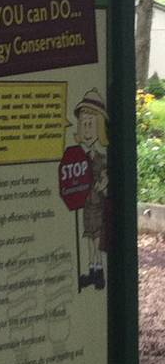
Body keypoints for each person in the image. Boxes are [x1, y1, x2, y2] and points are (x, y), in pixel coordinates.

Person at [74, 89, 110, 291]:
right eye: (83, 124)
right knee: (88, 235)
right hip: (87, 202)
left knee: (97, 236)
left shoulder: (101, 158)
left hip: (97, 201)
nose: (87, 129)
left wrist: (103, 184)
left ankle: (98, 271)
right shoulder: (80, 157)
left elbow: (105, 176)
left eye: (90, 124)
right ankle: (92, 269)